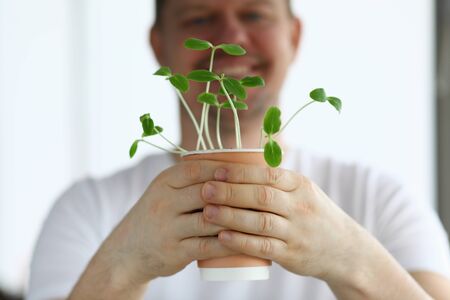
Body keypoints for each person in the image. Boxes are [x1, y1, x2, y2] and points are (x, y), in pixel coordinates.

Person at [27, 0, 450, 299]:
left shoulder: (381, 199)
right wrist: (127, 261)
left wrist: (349, 257)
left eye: (254, 13)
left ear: (294, 35)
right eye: (199, 16)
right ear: (159, 44)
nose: (230, 35)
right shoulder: (87, 209)